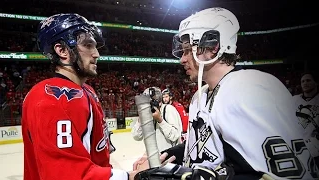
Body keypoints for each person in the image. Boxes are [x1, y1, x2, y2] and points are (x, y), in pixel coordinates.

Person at [132, 7, 315, 180]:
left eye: (188, 50)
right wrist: (166, 157)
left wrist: (182, 176)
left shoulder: (248, 88)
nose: (182, 59)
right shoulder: (200, 96)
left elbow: (278, 173)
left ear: (213, 47)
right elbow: (202, 150)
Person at [22, 13, 135, 180]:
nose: (96, 54)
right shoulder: (49, 96)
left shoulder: (88, 91)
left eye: (95, 46)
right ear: (62, 50)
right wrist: (130, 177)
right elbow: (65, 174)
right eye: (88, 45)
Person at [131, 87, 183, 153]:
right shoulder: (147, 114)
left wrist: (160, 120)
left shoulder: (168, 109)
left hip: (169, 157)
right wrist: (140, 119)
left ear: (158, 102)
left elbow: (175, 136)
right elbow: (136, 137)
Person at [293, 72, 319, 174]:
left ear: (316, 83)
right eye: (302, 81)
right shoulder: (294, 99)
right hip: (299, 149)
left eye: (308, 80)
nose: (305, 83)